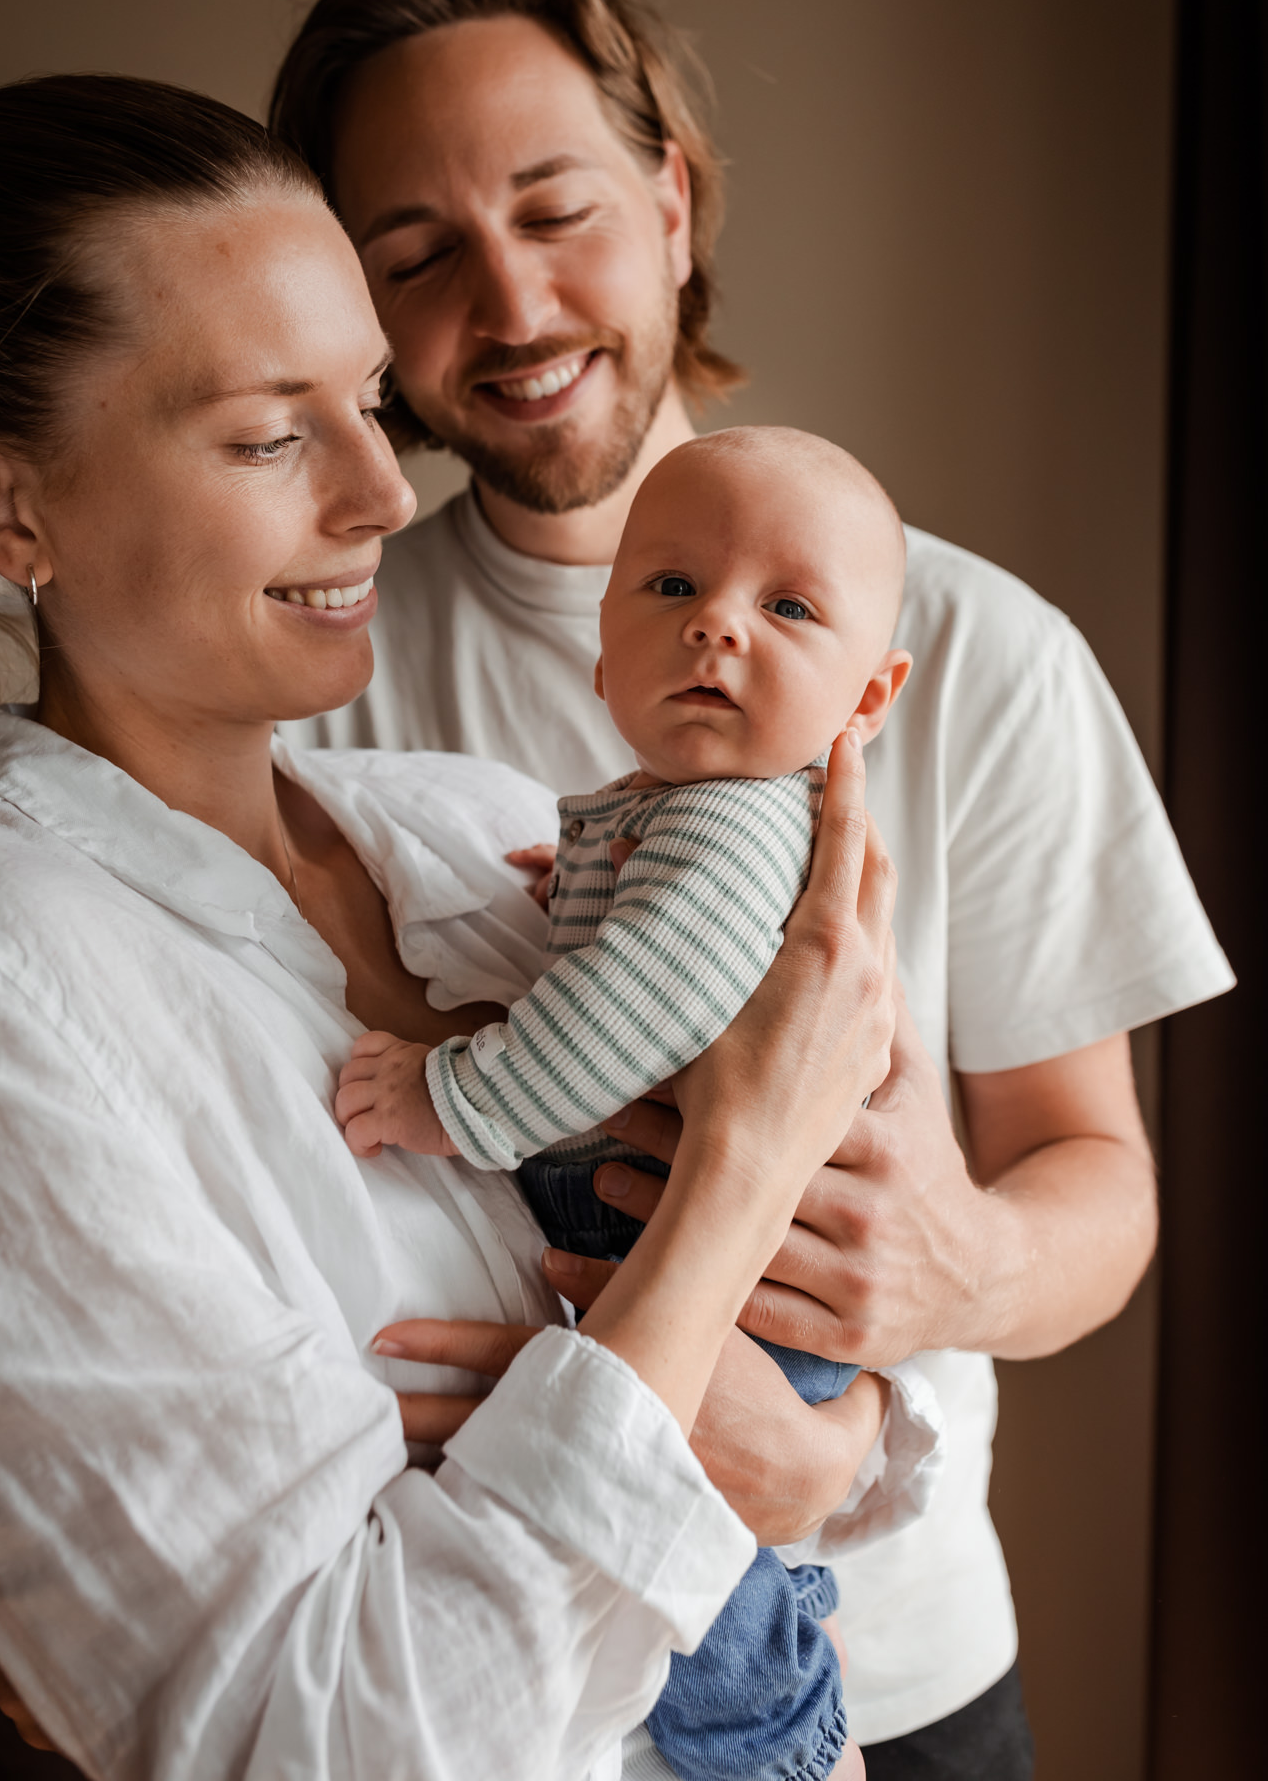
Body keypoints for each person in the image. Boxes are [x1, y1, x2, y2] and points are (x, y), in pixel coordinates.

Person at [269, 0, 1237, 1776]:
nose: (515, 303)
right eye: (417, 255)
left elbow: (1095, 1183)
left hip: (888, 1667)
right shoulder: (309, 672)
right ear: (358, 312)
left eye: (555, 212)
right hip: (481, 1662)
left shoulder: (973, 655)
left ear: (673, 201)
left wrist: (920, 1319)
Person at [0, 74, 906, 1781]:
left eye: (369, 397)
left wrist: (835, 1448)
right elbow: (321, 1743)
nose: (382, 487)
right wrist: (726, 1189)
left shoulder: (480, 826)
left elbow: (849, 1406)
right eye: (271, 431)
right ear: (4, 508)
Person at [338, 425, 919, 1781]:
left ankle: (781, 1734)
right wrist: (581, 877)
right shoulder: (682, 807)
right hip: (710, 1236)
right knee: (677, 1504)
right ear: (601, 656)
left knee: (672, 1507)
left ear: (866, 696)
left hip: (750, 1267)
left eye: (785, 608)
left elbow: (632, 1013)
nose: (716, 628)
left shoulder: (735, 825)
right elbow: (641, 927)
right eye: (670, 590)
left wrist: (449, 1097)